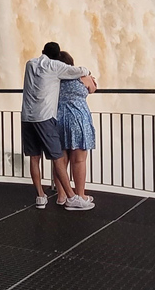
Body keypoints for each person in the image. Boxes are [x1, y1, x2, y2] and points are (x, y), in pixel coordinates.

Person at [21, 42, 95, 211]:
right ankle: (72, 197)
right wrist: (88, 73)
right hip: (46, 116)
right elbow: (82, 72)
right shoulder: (56, 67)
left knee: (34, 157)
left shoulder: (30, 64)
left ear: (42, 51)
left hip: (27, 115)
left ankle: (41, 196)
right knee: (58, 157)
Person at [54, 51, 97, 205]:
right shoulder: (81, 77)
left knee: (60, 160)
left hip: (58, 119)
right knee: (79, 160)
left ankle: (62, 196)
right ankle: (80, 196)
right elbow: (92, 88)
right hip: (78, 120)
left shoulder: (54, 80)